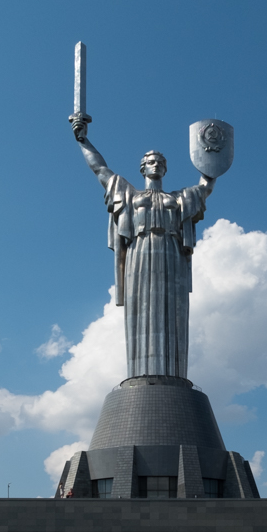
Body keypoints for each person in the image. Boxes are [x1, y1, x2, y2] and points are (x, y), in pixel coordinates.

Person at [72, 117, 216, 380]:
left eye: (161, 163)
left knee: (173, 310)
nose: (156, 165)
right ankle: (140, 374)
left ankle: (173, 374)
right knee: (141, 309)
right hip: (139, 252)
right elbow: (100, 169)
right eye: (151, 162)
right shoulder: (129, 194)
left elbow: (206, 185)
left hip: (171, 253)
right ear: (142, 168)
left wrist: (213, 155)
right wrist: (83, 140)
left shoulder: (179, 198)